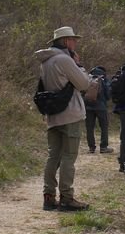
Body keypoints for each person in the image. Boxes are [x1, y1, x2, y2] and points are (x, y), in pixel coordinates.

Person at [35, 26, 94, 211]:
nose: (75, 43)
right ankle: (67, 198)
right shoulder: (65, 60)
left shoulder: (45, 61)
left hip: (53, 115)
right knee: (69, 157)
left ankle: (48, 196)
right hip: (70, 114)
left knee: (53, 157)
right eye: (73, 40)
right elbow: (84, 84)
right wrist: (79, 65)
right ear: (66, 41)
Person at [85, 65, 113, 154]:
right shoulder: (103, 79)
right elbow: (108, 95)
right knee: (104, 127)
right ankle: (103, 147)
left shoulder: (87, 78)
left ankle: (91, 147)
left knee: (89, 127)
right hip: (101, 107)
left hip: (88, 107)